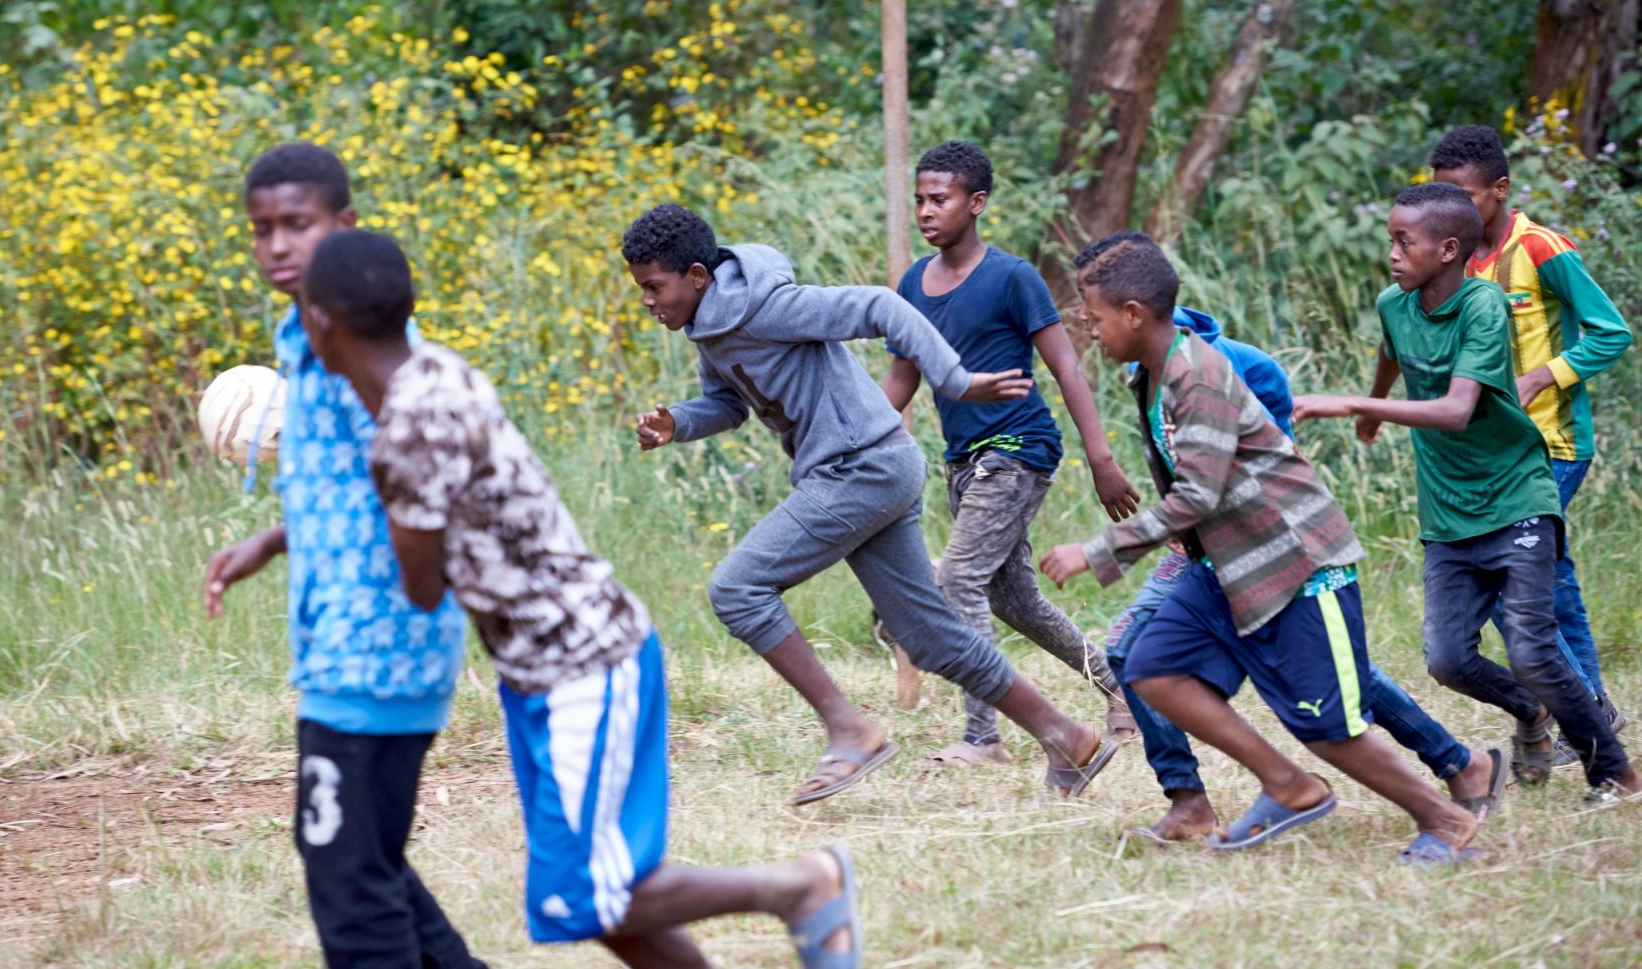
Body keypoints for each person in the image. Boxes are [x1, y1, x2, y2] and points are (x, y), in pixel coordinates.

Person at [301, 228, 864, 969]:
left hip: (582, 665)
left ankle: (798, 886)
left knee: (580, 896)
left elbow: (423, 584)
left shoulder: (407, 431)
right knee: (600, 904)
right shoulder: (436, 371)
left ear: (318, 321)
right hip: (548, 667)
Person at [624, 204, 1119, 804]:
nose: (647, 300)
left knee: (737, 588)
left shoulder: (770, 305)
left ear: (698, 276)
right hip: (874, 466)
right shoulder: (711, 325)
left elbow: (881, 306)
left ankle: (849, 731)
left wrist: (954, 380)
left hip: (859, 467)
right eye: (641, 288)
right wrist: (677, 422)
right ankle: (1066, 737)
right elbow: (728, 403)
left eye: (654, 287)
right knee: (930, 637)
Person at [1041, 233, 1482, 863]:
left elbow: (1198, 495)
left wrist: (1098, 550)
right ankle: (1288, 787)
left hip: (1294, 564)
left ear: (1133, 314)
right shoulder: (1153, 374)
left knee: (1327, 728)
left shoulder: (1199, 376)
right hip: (1224, 568)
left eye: (1094, 319)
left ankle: (1445, 818)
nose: (1089, 331)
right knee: (1149, 665)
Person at [200, 143, 482, 969]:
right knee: (366, 858)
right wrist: (273, 538)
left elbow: (424, 475)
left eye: (299, 223)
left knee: (349, 880)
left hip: (373, 650)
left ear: (345, 224)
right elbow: (356, 478)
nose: (277, 244)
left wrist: (415, 599)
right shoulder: (306, 330)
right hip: (350, 644)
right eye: (262, 229)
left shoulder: (363, 341)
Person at [1294, 182, 1640, 804]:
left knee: (1532, 649)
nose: (1392, 253)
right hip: (1448, 511)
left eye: (1405, 242)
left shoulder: (1484, 305)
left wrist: (1347, 404)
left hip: (1516, 496)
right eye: (1391, 240)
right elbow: (1391, 349)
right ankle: (1530, 711)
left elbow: (1457, 410)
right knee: (1448, 661)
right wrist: (1373, 405)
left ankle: (1615, 771)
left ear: (1449, 250)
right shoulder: (1394, 304)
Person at [877, 141, 1139, 767]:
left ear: (977, 202)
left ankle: (982, 737)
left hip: (1018, 451)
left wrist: (1101, 460)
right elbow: (899, 382)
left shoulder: (1012, 277)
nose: (926, 211)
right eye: (920, 200)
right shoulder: (912, 284)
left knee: (958, 580)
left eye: (940, 199)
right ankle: (1122, 691)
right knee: (1014, 600)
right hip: (964, 461)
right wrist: (845, 438)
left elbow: (1067, 367)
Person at [1429, 123, 1632, 751]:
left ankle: (1583, 714)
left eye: (1463, 196)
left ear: (1500, 188)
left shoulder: (1541, 247)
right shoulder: (1457, 258)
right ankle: (1593, 712)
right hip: (1493, 453)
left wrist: (1542, 376)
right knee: (1553, 584)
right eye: (1441, 196)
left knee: (1503, 573)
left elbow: (1612, 332)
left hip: (1553, 445)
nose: (1450, 210)